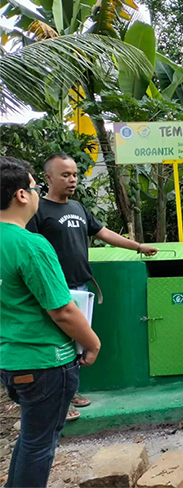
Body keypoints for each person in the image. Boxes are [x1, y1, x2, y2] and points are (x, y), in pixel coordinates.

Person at [27, 153, 158, 419]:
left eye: (74, 174)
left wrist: (138, 247)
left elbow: (104, 233)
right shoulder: (37, 211)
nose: (72, 179)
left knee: (76, 343)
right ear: (48, 178)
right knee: (56, 344)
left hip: (81, 287)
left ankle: (70, 391)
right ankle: (58, 401)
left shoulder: (78, 208)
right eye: (65, 175)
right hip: (53, 289)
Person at [0, 157, 101, 488]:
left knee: (31, 439)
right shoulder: (30, 245)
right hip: (45, 361)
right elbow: (63, 311)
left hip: (10, 360)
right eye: (35, 187)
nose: (37, 193)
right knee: (39, 445)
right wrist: (93, 342)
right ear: (21, 195)